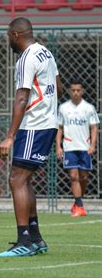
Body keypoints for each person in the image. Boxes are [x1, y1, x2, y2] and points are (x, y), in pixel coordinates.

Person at [0, 18, 63, 257]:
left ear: (14, 35)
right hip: (48, 123)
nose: (8, 41)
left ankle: (24, 240)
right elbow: (58, 86)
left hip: (34, 125)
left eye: (8, 36)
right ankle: (35, 238)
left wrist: (10, 136)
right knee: (24, 180)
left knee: (16, 179)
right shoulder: (46, 52)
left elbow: (22, 97)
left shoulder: (26, 58)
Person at [56, 80, 99, 217]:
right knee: (73, 176)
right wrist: (58, 146)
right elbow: (59, 128)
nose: (75, 93)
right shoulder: (63, 108)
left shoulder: (89, 108)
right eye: (73, 90)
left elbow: (94, 127)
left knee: (84, 177)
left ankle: (78, 202)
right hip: (69, 147)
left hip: (84, 147)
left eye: (78, 90)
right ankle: (80, 206)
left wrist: (92, 145)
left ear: (82, 91)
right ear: (69, 91)